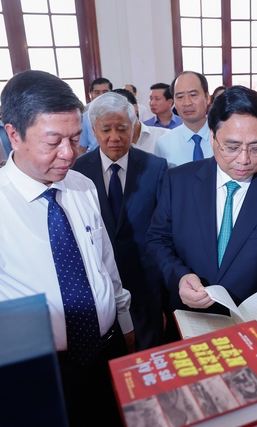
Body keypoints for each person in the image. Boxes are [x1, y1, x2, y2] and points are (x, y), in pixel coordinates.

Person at [0, 70, 133, 426]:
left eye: (75, 138)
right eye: (53, 141)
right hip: (39, 368)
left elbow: (105, 265)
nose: (68, 154)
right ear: (13, 135)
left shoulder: (82, 186)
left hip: (108, 348)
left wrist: (125, 322)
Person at [146, 85, 257, 341]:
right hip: (191, 323)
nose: (244, 159)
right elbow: (157, 241)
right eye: (232, 146)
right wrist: (179, 278)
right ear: (212, 136)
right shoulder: (179, 181)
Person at [73, 92, 168, 351]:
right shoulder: (77, 171)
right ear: (94, 130)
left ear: (133, 126)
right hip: (99, 283)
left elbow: (164, 228)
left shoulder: (156, 167)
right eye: (106, 129)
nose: (114, 137)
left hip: (145, 280)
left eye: (122, 128)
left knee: (151, 352)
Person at [154, 71, 213, 167]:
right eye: (180, 97)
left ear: (207, 98)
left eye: (193, 95)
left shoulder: (223, 138)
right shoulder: (163, 143)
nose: (187, 103)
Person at [112, 88, 169, 154]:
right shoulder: (111, 144)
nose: (115, 115)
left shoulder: (164, 136)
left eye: (119, 108)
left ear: (135, 108)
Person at [79, 77, 113, 155]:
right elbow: (81, 149)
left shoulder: (120, 114)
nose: (101, 95)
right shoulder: (85, 118)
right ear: (91, 94)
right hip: (93, 158)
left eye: (105, 92)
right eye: (97, 92)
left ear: (111, 93)